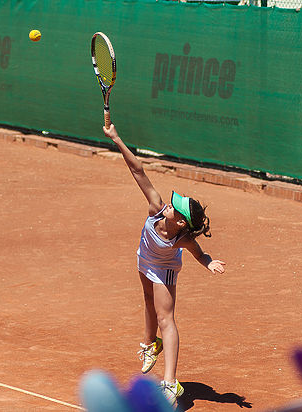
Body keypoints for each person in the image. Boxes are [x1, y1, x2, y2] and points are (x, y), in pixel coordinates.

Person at [102, 123, 226, 407]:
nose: (170, 203)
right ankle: (150, 345)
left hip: (165, 268)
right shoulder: (155, 207)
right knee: (147, 301)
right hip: (144, 258)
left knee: (166, 318)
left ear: (181, 222)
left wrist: (209, 264)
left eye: (176, 207)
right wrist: (117, 138)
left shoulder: (182, 239)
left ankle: (171, 383)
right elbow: (138, 171)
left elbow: (200, 254)